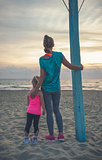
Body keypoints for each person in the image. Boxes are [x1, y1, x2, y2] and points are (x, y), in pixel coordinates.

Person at [30, 35, 83, 142]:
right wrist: (80, 67)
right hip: (56, 88)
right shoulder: (59, 55)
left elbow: (42, 77)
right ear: (53, 44)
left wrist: (35, 89)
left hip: (46, 89)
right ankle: (61, 135)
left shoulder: (42, 59)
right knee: (57, 110)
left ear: (44, 45)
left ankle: (51, 136)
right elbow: (70, 66)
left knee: (50, 112)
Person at [24, 76, 45, 144]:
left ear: (32, 83)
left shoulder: (29, 93)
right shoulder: (40, 93)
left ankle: (26, 139)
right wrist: (44, 110)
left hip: (29, 111)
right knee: (36, 124)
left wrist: (30, 106)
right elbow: (42, 103)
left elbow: (28, 103)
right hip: (37, 112)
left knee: (28, 124)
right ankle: (35, 138)